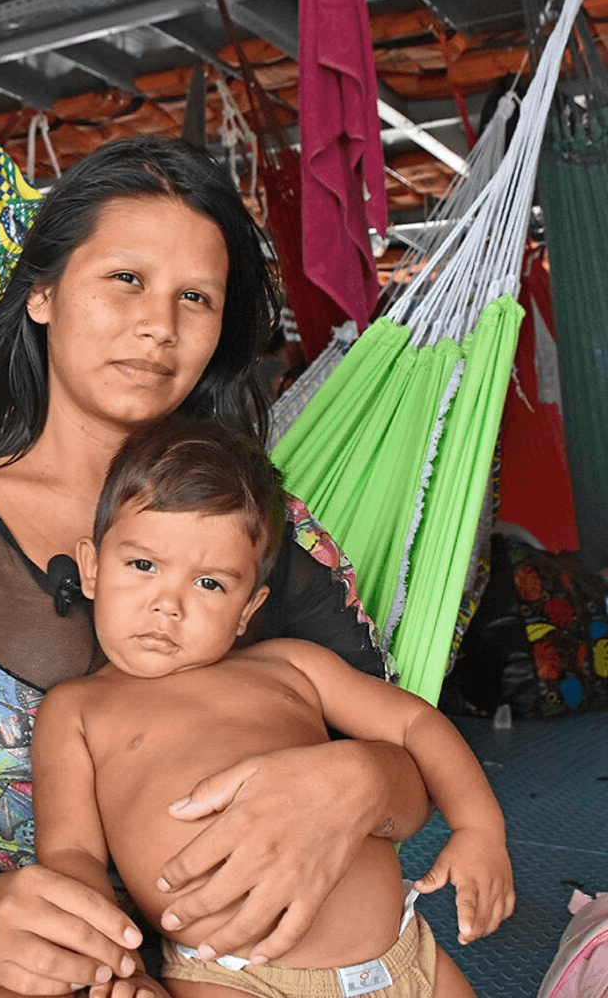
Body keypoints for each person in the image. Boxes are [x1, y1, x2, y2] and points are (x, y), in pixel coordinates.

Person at [0, 135, 433, 997]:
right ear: (45, 293)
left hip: (240, 957)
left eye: (195, 298)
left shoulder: (265, 529)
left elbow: (412, 752)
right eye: (126, 279)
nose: (158, 326)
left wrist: (358, 781)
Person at [32, 418, 514, 998]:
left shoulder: (291, 665)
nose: (168, 604)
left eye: (209, 583)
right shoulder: (77, 710)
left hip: (404, 960)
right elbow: (71, 854)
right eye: (143, 566)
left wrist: (480, 826)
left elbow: (414, 723)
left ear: (246, 608)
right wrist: (119, 971)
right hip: (233, 978)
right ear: (91, 568)